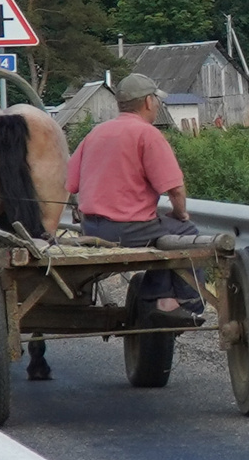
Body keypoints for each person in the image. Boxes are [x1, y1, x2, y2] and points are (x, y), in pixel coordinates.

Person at [64, 73, 206, 349]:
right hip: (131, 230)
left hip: (92, 228)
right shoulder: (147, 135)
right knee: (184, 233)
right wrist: (181, 214)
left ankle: (161, 297)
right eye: (156, 101)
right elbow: (175, 190)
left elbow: (70, 184)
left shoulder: (96, 133)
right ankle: (186, 304)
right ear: (149, 102)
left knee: (161, 232)